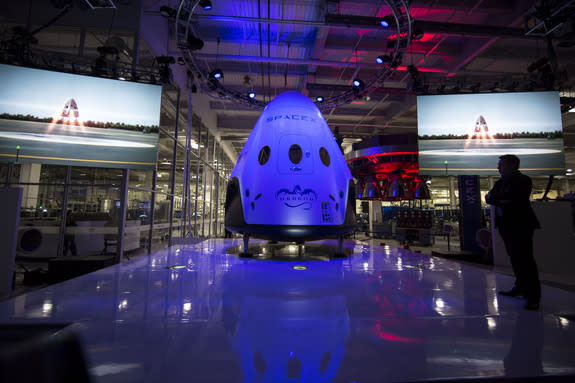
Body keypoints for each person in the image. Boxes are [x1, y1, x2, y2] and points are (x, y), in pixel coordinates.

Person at [485, 154, 541, 310]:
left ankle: (534, 296)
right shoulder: (500, 182)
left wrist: (497, 199)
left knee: (525, 259)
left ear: (512, 165)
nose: (498, 167)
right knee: (515, 258)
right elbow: (491, 197)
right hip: (506, 225)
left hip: (521, 224)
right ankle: (521, 287)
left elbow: (514, 200)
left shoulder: (523, 180)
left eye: (501, 164)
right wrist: (499, 199)